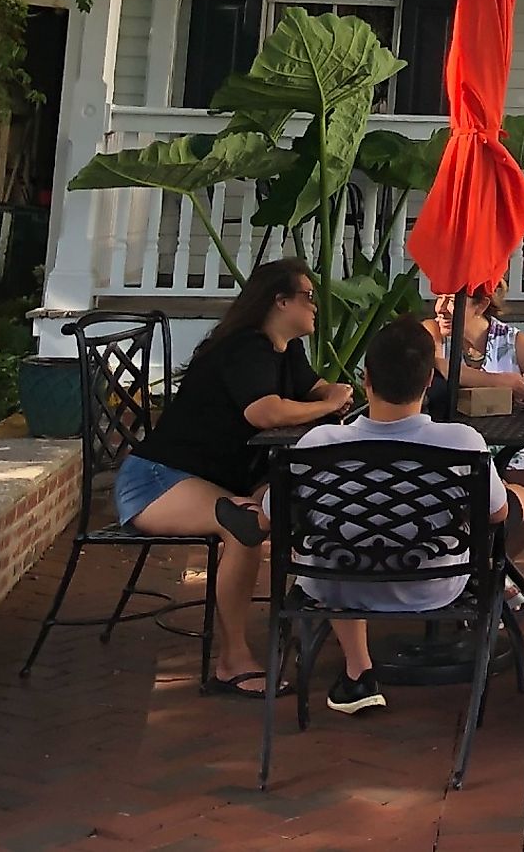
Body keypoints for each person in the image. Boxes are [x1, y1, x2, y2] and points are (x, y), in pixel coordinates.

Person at [218, 315, 513, 718]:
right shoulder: (463, 443)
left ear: (366, 380)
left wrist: (257, 510)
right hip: (431, 588)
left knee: (336, 540)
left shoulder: (318, 443)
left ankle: (359, 671)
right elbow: (498, 514)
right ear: (429, 382)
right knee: (516, 498)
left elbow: (272, 521)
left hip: (334, 587)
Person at [111, 257, 352, 697]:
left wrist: (331, 393)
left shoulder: (285, 348)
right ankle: (232, 661)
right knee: (243, 525)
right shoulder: (245, 348)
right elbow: (265, 412)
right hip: (156, 481)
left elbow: (312, 386)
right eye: (308, 297)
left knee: (311, 506)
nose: (316, 306)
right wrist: (325, 405)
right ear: (280, 302)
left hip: (218, 479)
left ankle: (312, 623)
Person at [426, 288, 524, 551]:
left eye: (452, 301)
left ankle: (497, 572)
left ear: (481, 306)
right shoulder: (432, 333)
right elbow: (438, 366)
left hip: (507, 446)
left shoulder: (512, 342)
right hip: (449, 446)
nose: (440, 308)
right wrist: (504, 382)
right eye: (439, 298)